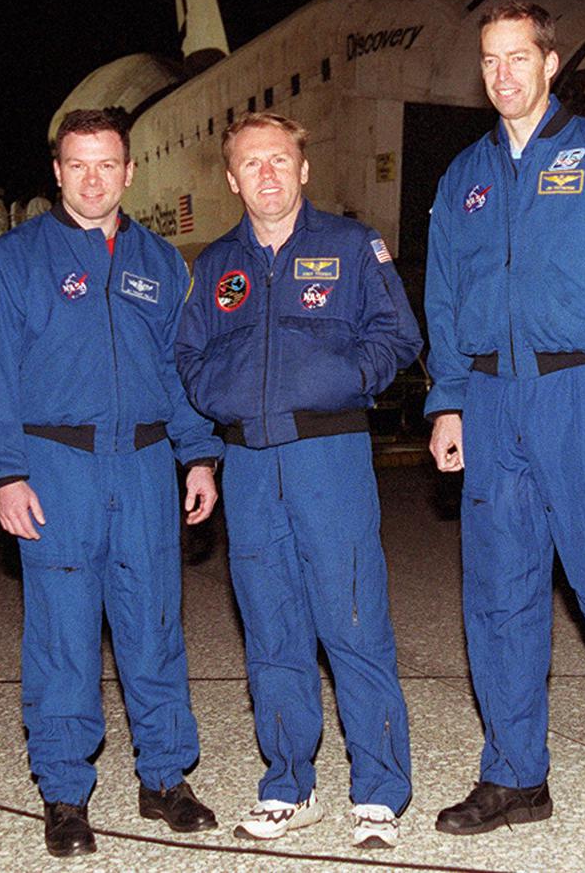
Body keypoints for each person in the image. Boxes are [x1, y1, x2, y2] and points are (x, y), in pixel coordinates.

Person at [424, 1, 585, 854]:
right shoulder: (462, 175)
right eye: (490, 60)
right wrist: (448, 400)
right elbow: (444, 299)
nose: (504, 74)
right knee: (499, 597)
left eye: (518, 57)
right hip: (494, 404)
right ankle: (513, 774)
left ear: (551, 60)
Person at [0, 107, 222, 858]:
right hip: (57, 467)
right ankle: (66, 794)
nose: (92, 178)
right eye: (77, 164)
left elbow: (178, 372)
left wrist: (199, 453)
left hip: (144, 466)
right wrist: (6, 474)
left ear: (130, 172)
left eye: (107, 164)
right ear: (56, 171)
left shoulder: (159, 262)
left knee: (154, 627)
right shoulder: (15, 262)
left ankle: (165, 778)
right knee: (64, 636)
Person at [175, 112, 421, 850]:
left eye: (280, 160)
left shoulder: (350, 246)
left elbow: (399, 335)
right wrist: (222, 398)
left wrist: (345, 376)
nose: (268, 175)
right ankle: (288, 784)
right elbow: (186, 358)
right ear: (232, 178)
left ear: (303, 169)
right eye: (252, 164)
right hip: (250, 465)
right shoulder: (217, 265)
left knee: (353, 622)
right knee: (272, 628)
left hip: (328, 460)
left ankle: (378, 790)